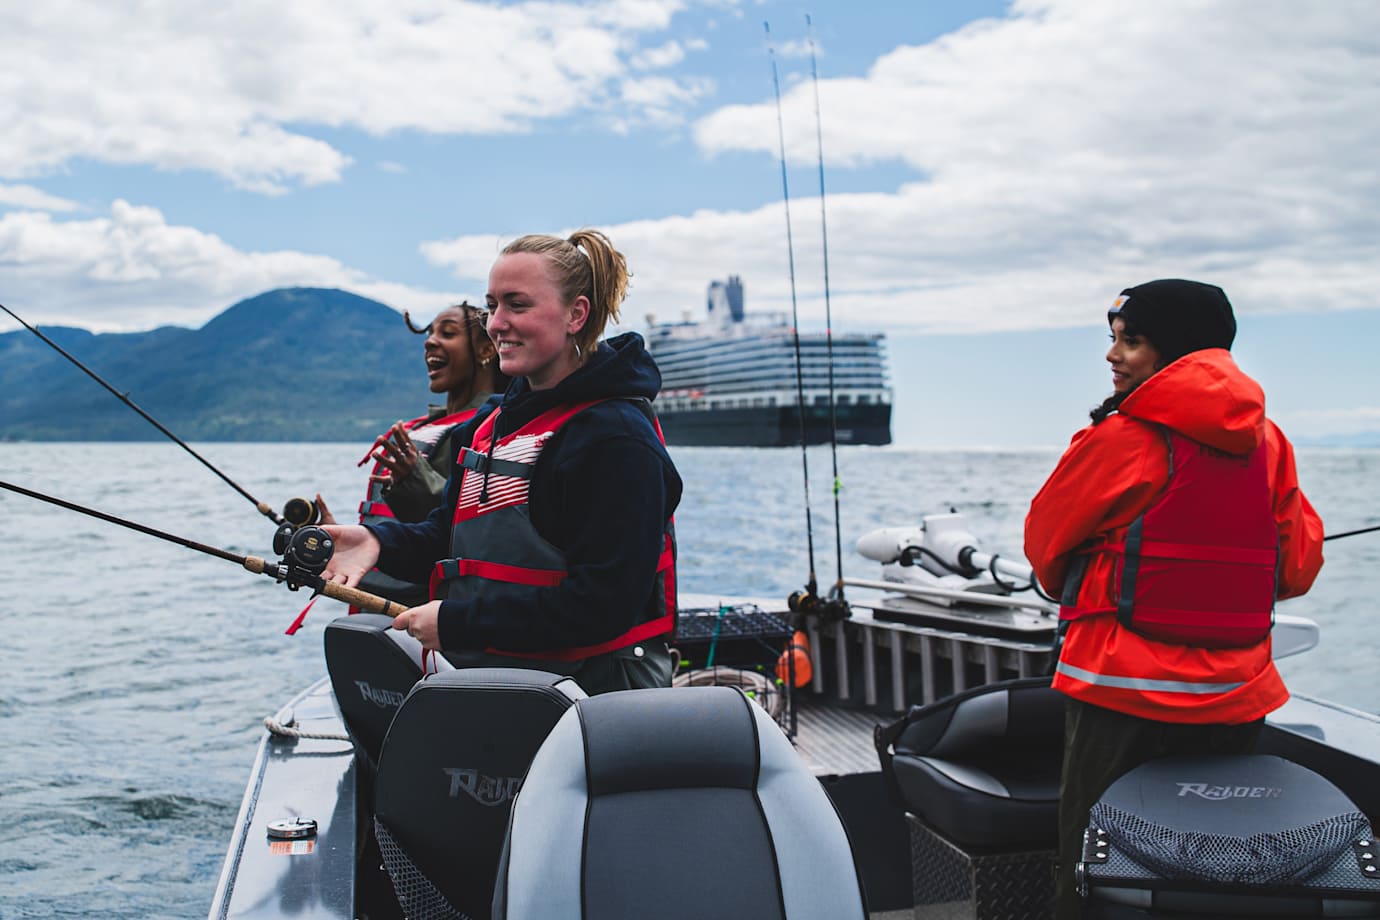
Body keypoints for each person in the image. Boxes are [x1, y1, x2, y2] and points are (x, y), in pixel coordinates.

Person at [1023, 279, 1325, 919]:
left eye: (1131, 341)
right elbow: (1297, 569)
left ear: (1178, 350)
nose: (1113, 355)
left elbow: (1046, 550)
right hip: (1235, 696)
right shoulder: (1270, 444)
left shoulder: (1119, 439)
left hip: (1119, 692)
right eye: (1113, 339)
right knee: (1216, 865)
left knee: (1094, 863)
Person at [321, 229, 682, 695]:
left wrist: (457, 623)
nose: (497, 323)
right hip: (501, 686)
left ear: (576, 314)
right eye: (492, 306)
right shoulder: (489, 426)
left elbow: (603, 605)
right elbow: (447, 537)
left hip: (595, 698)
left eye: (517, 305)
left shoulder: (616, 440)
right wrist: (375, 542)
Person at [318, 301, 508, 609]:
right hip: (377, 604)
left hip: (426, 613)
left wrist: (415, 481)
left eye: (447, 333)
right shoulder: (426, 427)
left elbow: (475, 531)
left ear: (487, 350)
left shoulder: (492, 430)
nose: (430, 342)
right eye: (430, 333)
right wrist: (339, 538)